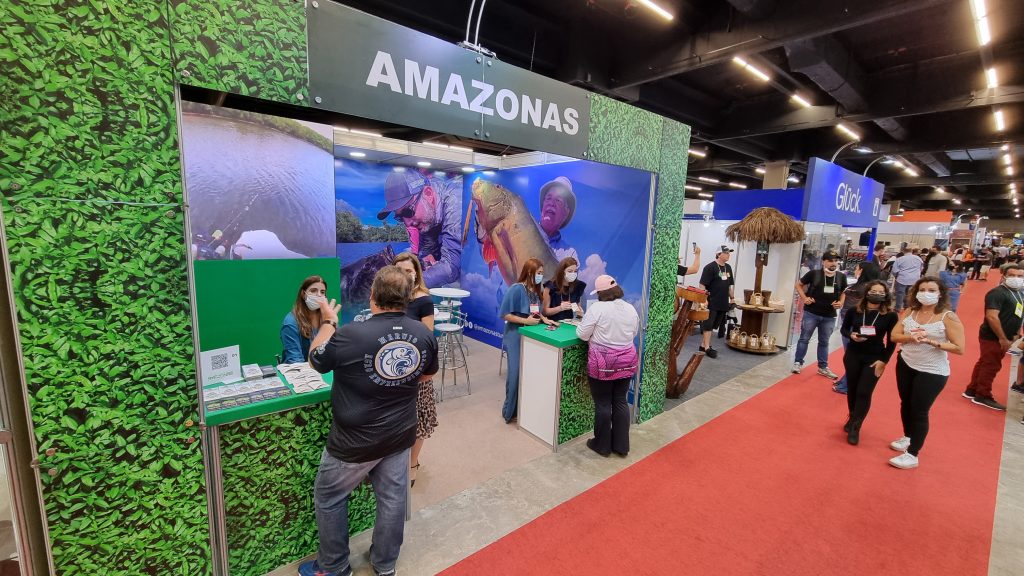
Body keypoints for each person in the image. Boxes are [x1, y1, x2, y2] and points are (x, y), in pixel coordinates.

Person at [300, 266, 438, 576]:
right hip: (399, 435)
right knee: (392, 500)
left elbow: (316, 359)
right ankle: (385, 565)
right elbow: (426, 375)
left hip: (354, 441)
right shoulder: (424, 335)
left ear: (372, 296)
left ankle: (334, 566)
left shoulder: (350, 334)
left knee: (329, 496)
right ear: (407, 298)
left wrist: (328, 321)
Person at [888, 277, 965, 469]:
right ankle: (908, 436)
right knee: (906, 403)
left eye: (931, 290)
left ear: (940, 294)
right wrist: (910, 337)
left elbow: (959, 347)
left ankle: (913, 454)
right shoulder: (910, 311)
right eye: (922, 290)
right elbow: (894, 336)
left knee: (920, 410)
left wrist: (932, 342)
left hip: (932, 370)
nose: (926, 293)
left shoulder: (948, 317)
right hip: (906, 362)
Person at [576, 274, 640, 457]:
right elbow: (633, 332)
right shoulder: (630, 308)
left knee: (603, 402)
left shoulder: (597, 309)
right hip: (627, 361)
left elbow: (582, 334)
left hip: (602, 364)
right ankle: (621, 446)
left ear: (600, 293)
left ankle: (602, 445)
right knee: (620, 400)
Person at [393, 252, 437, 487]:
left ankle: (413, 463)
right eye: (399, 270)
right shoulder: (391, 298)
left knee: (419, 420)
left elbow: (427, 336)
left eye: (408, 270)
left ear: (416, 273)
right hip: (393, 371)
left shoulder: (423, 300)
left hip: (416, 371)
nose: (404, 275)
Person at [499, 258, 559, 423]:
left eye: (542, 273)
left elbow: (535, 312)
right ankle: (509, 412)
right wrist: (525, 321)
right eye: (538, 273)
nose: (541, 276)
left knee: (529, 374)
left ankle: (523, 410)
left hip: (531, 336)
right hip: (515, 335)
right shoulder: (516, 289)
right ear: (530, 272)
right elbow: (505, 314)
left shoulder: (536, 290)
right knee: (515, 374)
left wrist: (544, 319)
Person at [377, 171, 461, 286]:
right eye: (400, 217)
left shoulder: (455, 200)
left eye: (408, 212)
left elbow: (451, 268)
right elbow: (426, 255)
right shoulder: (427, 217)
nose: (408, 223)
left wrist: (401, 286)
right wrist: (427, 259)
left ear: (428, 194)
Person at [839, 280, 898, 445]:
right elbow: (844, 329)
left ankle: (856, 426)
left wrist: (884, 361)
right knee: (852, 389)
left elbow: (892, 341)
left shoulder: (891, 315)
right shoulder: (854, 310)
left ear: (886, 295)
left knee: (864, 391)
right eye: (873, 291)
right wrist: (851, 335)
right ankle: (852, 416)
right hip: (853, 354)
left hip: (874, 357)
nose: (877, 295)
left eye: (881, 292)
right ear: (867, 293)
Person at [962, 263, 1024, 411]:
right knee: (991, 365)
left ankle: (972, 389)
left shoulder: (1018, 293)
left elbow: (1018, 314)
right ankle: (983, 395)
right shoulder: (997, 293)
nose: (1016, 278)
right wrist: (1002, 338)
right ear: (1004, 276)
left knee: (985, 362)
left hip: (1007, 336)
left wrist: (1016, 333)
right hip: (994, 336)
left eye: (1020, 276)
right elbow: (992, 317)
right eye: (1012, 275)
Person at [792, 252, 847, 379]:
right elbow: (798, 284)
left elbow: (844, 292)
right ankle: (797, 362)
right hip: (811, 313)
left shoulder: (841, 277)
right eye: (830, 260)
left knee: (824, 341)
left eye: (836, 261)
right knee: (804, 339)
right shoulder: (814, 274)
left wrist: (841, 302)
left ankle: (823, 367)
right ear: (823, 261)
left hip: (829, 315)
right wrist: (804, 298)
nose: (834, 263)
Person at [833, 261, 882, 394]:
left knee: (852, 357)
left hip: (856, 328)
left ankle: (847, 385)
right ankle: (845, 381)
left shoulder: (863, 290)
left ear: (862, 271)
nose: (855, 270)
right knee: (852, 356)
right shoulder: (860, 287)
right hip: (855, 326)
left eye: (857, 268)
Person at [697, 245, 736, 359]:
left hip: (723, 302)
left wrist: (732, 298)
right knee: (708, 325)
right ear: (719, 254)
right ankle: (707, 347)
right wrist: (704, 300)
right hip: (711, 301)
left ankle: (702, 345)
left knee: (714, 325)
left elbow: (729, 285)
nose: (729, 255)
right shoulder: (710, 267)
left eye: (729, 253)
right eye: (726, 253)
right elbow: (702, 285)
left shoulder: (728, 268)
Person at [281, 275, 329, 363]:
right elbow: (295, 360)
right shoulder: (291, 322)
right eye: (313, 290)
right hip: (301, 369)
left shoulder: (327, 317)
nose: (319, 295)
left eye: (322, 292)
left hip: (324, 367)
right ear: (303, 294)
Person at [538, 177, 579, 262]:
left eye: (558, 200)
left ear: (566, 213)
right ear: (543, 204)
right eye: (548, 198)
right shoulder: (522, 231)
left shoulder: (570, 255)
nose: (551, 203)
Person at [543, 257, 587, 322]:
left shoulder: (578, 286)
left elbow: (577, 309)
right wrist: (560, 308)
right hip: (554, 323)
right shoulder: (550, 286)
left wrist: (580, 314)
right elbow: (545, 312)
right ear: (562, 272)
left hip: (570, 324)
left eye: (575, 271)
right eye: (570, 271)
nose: (573, 274)